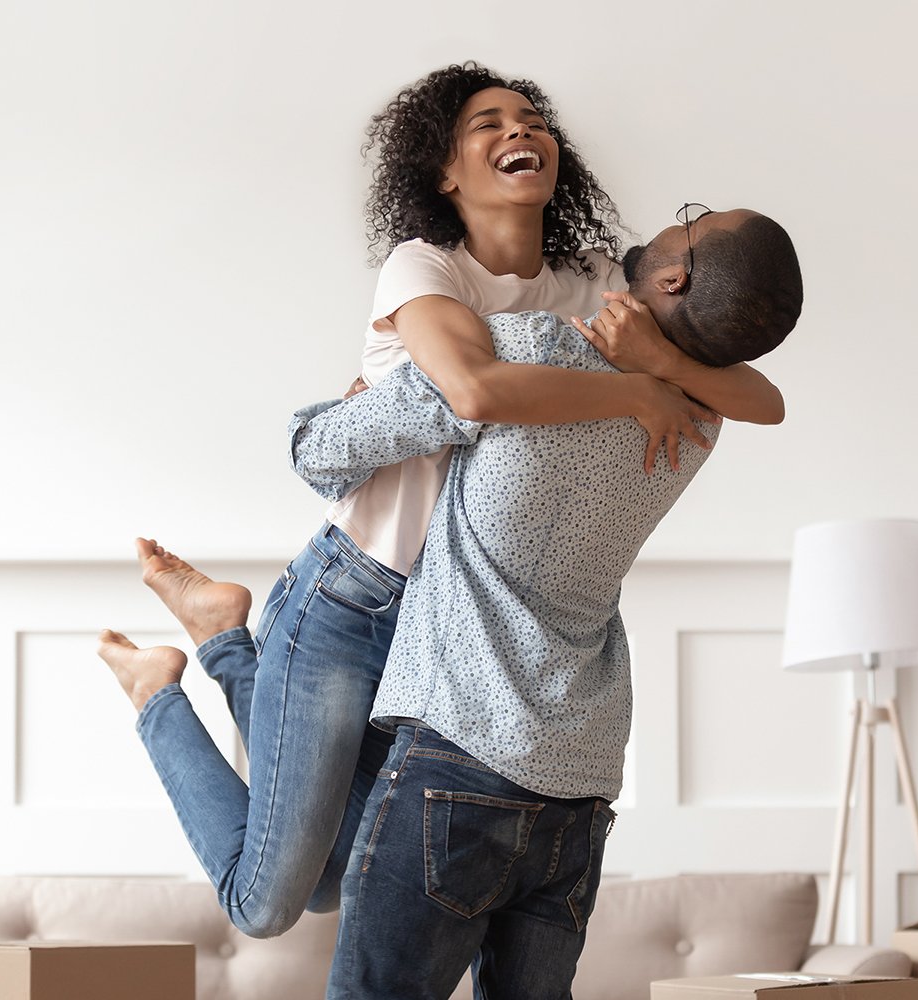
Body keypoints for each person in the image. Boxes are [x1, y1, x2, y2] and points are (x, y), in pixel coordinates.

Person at [96, 63, 783, 940]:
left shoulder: (593, 282)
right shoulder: (424, 268)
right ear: (446, 173)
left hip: (448, 630)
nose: (518, 131)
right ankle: (159, 689)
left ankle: (226, 636)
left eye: (532, 119)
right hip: (351, 598)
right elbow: (471, 389)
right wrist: (636, 393)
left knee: (331, 882)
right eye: (487, 123)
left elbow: (763, 402)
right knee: (269, 902)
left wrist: (671, 367)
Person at [285, 206, 803, 999]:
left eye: (691, 222)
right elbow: (762, 397)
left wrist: (349, 401)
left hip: (460, 750)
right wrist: (655, 366)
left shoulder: (520, 352)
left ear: (674, 279)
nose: (672, 219)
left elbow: (318, 451)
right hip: (578, 785)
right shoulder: (700, 419)